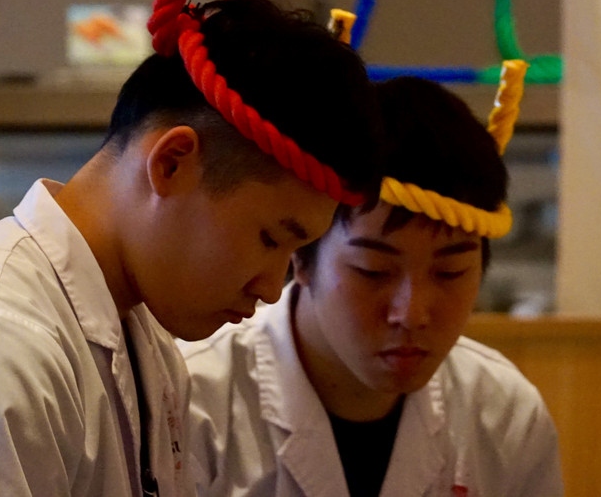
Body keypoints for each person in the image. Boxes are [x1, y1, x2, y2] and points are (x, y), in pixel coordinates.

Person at [0, 0, 384, 494]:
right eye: (269, 238)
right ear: (172, 163)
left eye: (292, 253)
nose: (270, 286)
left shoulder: (147, 340)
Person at [182, 65, 564, 497]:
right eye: (374, 272)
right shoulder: (193, 401)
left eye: (449, 272)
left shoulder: (503, 413)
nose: (412, 313)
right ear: (301, 257)